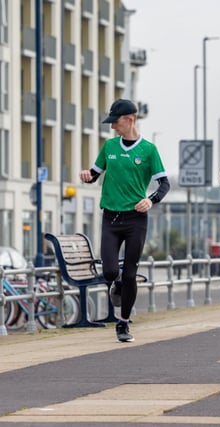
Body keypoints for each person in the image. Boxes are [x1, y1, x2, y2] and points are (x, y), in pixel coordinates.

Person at [79, 99, 170, 342]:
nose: (112, 127)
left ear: (130, 120)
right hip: (110, 217)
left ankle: (123, 322)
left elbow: (164, 184)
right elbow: (94, 174)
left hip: (136, 220)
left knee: (130, 274)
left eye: (115, 122)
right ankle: (115, 283)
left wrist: (150, 200)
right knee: (110, 271)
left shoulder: (149, 150)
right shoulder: (109, 147)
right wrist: (87, 176)